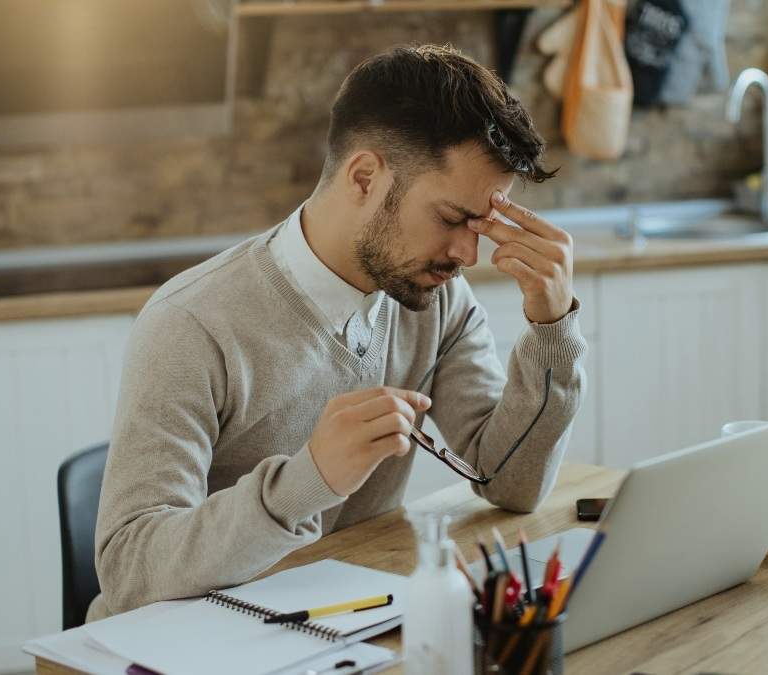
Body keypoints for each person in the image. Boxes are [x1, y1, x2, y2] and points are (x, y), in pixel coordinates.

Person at [88, 44, 587, 621]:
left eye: (481, 225)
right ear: (365, 177)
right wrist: (308, 481)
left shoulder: (436, 298)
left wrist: (553, 327)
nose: (467, 254)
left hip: (346, 625)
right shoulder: (190, 324)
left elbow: (511, 484)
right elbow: (128, 571)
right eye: (451, 219)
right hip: (190, 644)